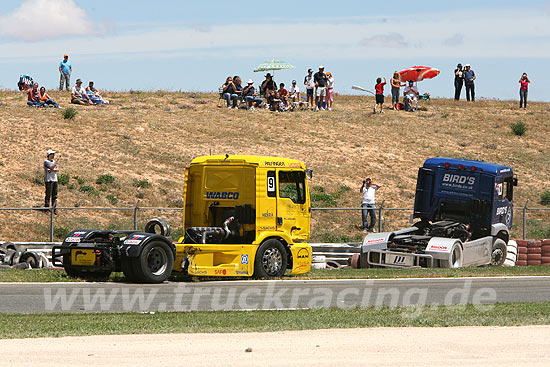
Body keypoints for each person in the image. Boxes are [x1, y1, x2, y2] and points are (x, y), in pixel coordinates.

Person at [44, 150, 59, 214]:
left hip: (55, 179)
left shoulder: (54, 162)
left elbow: (57, 169)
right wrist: (53, 167)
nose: (53, 155)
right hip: (49, 180)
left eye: (53, 154)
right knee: (48, 194)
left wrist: (52, 169)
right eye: (51, 154)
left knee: (54, 195)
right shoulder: (46, 162)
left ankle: (54, 208)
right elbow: (51, 167)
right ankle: (47, 209)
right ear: (48, 155)